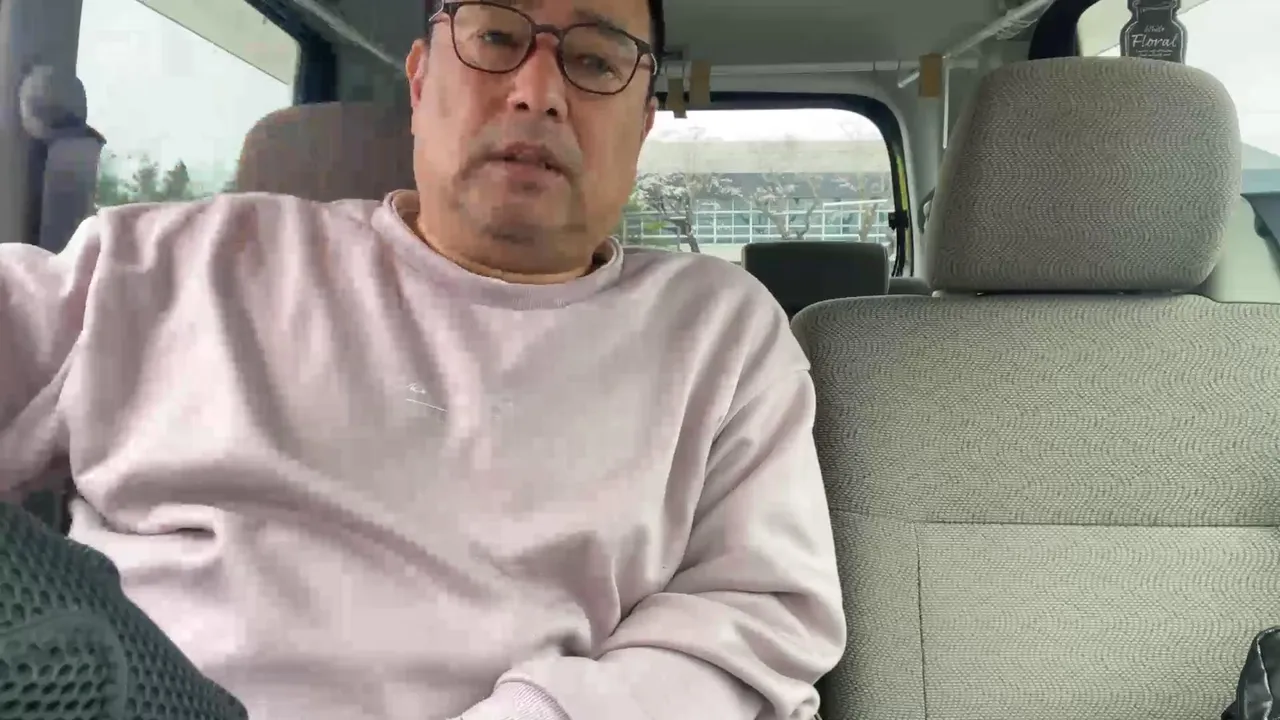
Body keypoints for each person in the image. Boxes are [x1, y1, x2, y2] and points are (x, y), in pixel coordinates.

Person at [0, 0, 847, 717]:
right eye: (496, 38)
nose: (539, 91)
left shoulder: (720, 336)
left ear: (644, 122)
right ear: (417, 82)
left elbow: (757, 625)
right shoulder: (167, 266)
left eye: (595, 60)